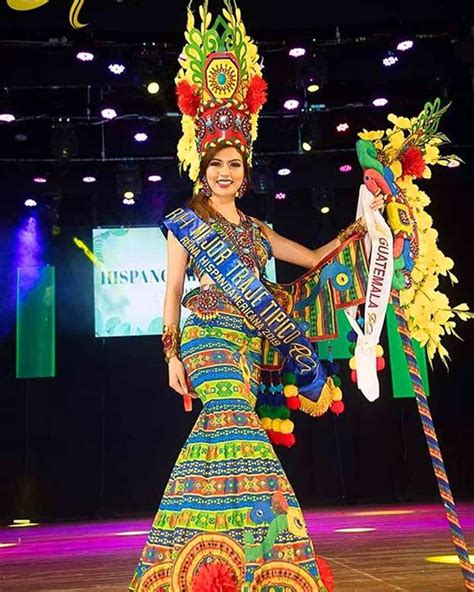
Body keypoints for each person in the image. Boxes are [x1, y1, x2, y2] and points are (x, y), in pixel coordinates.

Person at [129, 3, 383, 591]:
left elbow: (317, 258)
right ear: (203, 168)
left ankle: (206, 552)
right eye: (215, 163)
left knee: (226, 433)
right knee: (233, 422)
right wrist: (170, 356)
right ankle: (262, 549)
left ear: (246, 171)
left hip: (247, 341)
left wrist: (362, 224)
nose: (224, 172)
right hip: (202, 338)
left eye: (233, 164)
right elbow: (171, 292)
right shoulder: (183, 223)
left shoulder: (257, 228)